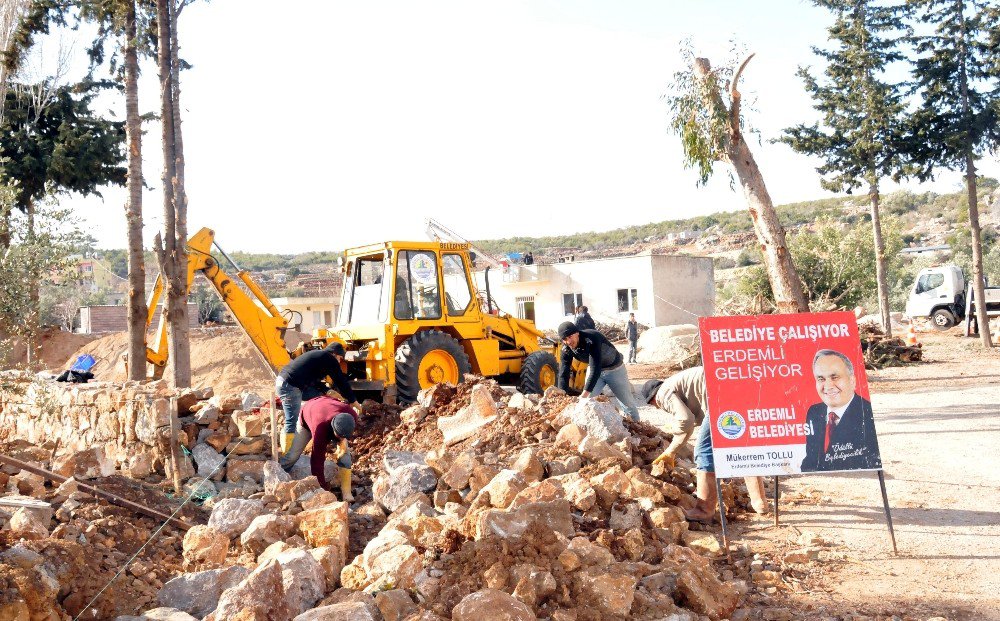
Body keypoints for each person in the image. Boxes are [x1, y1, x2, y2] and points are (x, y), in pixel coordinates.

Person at [639, 367, 770, 521]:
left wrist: (673, 432)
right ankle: (759, 503)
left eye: (654, 405)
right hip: (737, 390)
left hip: (719, 397)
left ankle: (704, 509)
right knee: (741, 446)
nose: (657, 407)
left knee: (703, 451)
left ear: (652, 399)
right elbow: (687, 426)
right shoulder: (677, 384)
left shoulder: (662, 394)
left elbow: (685, 421)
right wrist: (672, 451)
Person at [800, 349, 882, 472]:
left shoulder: (867, 413)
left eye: (835, 377)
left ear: (852, 381)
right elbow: (811, 460)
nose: (828, 386)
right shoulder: (815, 412)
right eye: (821, 379)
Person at [275, 342, 361, 454]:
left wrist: (327, 391)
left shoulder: (318, 357)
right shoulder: (328, 358)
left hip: (284, 382)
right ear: (335, 354)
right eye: (340, 357)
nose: (339, 361)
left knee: (318, 398)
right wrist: (353, 401)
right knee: (291, 420)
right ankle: (286, 454)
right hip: (290, 386)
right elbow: (340, 381)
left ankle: (321, 412)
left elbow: (313, 381)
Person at [278, 394, 358, 501]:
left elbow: (344, 435)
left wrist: (342, 442)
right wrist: (322, 488)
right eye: (339, 436)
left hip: (327, 404)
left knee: (345, 455)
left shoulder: (351, 417)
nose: (340, 438)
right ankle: (277, 476)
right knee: (292, 456)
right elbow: (317, 460)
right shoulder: (320, 428)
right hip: (308, 413)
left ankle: (346, 493)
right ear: (333, 428)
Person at [556, 321, 640, 421]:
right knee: (587, 402)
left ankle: (637, 426)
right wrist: (562, 395)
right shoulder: (566, 348)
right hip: (595, 371)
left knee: (627, 402)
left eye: (570, 336)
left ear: (577, 333)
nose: (568, 341)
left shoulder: (591, 338)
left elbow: (596, 368)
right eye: (564, 339)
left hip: (614, 369)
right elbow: (563, 372)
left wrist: (583, 396)